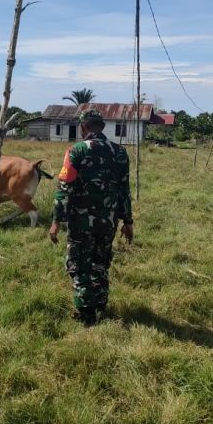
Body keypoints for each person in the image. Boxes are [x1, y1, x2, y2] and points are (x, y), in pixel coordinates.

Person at [49, 109, 134, 325]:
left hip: (81, 222)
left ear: (83, 127)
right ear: (102, 127)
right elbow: (124, 190)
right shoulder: (120, 152)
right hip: (108, 221)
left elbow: (64, 188)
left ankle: (86, 313)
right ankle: (100, 304)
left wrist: (56, 221)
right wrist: (128, 221)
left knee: (79, 265)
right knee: (100, 263)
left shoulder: (76, 151)